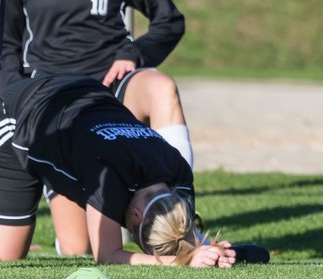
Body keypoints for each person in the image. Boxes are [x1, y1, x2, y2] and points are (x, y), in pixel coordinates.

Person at [2, 0, 191, 255]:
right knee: (78, 251)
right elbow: (6, 43)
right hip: (56, 101)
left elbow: (169, 20)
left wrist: (135, 53)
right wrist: (16, 92)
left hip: (111, 85)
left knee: (161, 87)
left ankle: (179, 219)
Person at [0, 74, 230, 266]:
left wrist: (211, 251)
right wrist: (183, 262)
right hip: (21, 112)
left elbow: (180, 232)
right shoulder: (108, 176)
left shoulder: (178, 177)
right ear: (136, 216)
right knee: (6, 258)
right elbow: (107, 255)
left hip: (83, 101)